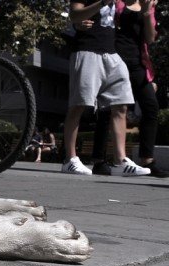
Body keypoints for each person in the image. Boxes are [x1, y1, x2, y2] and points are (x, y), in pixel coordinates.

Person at [61, 0, 150, 176]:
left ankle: (120, 161)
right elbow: (74, 15)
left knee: (121, 104)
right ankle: (69, 159)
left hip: (112, 54)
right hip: (87, 50)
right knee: (79, 105)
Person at [89, 0, 165, 177]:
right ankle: (99, 160)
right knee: (108, 109)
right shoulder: (117, 3)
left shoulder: (148, 6)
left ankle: (147, 159)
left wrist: (146, 13)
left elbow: (150, 38)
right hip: (115, 58)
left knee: (151, 106)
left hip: (137, 63)